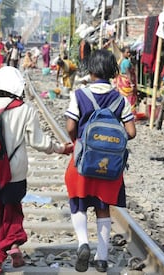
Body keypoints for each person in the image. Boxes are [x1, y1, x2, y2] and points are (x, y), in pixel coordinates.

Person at [0, 66, 73, 275]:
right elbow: (38, 142)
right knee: (12, 208)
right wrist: (60, 148)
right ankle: (12, 244)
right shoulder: (26, 110)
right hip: (15, 171)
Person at [64, 49, 136, 273]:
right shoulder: (120, 99)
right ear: (112, 71)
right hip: (110, 164)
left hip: (83, 161)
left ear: (91, 70)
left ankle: (83, 242)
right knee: (103, 207)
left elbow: (70, 126)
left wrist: (76, 141)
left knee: (78, 201)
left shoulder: (79, 95)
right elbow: (131, 132)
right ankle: (102, 258)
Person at [117, 46, 138, 114]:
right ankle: (130, 114)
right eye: (127, 52)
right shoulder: (126, 62)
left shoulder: (122, 61)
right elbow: (128, 73)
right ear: (123, 53)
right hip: (127, 83)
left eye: (129, 52)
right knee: (130, 99)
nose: (129, 54)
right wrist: (132, 84)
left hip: (123, 82)